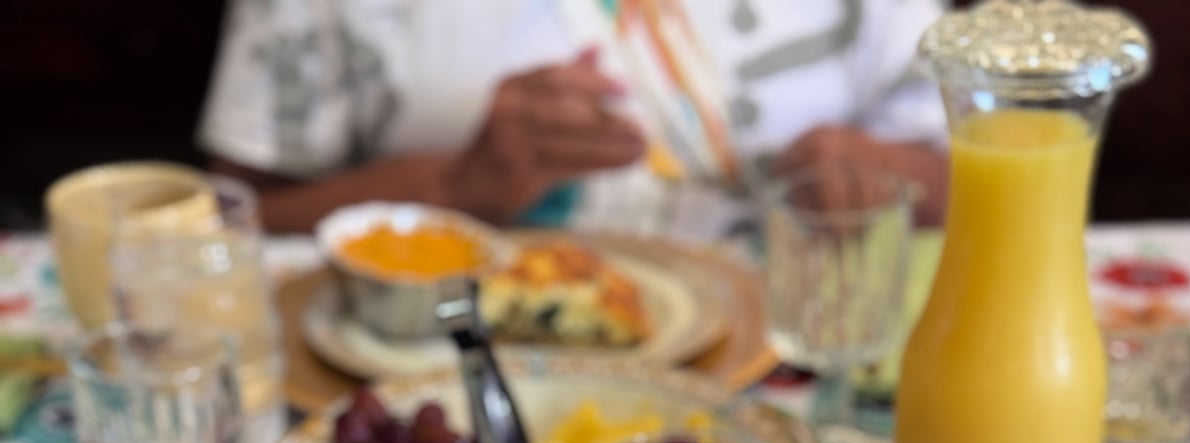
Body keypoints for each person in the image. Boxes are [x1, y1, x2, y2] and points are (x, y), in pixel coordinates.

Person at [197, 0, 948, 235]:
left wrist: (886, 175)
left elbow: (995, 191)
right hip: (441, 396)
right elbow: (227, 230)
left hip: (794, 398)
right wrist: (456, 189)